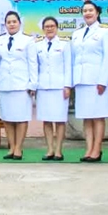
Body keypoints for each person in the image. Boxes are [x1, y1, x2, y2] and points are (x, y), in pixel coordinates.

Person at [71, 0, 108, 163]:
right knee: (86, 117)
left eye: (91, 10)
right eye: (85, 11)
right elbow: (74, 59)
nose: (87, 13)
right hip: (81, 81)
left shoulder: (105, 32)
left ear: (97, 13)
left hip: (97, 81)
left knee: (98, 116)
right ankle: (88, 148)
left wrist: (104, 81)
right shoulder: (77, 33)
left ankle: (97, 149)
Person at [0, 11, 35, 160]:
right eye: (8, 22)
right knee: (7, 117)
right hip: (4, 83)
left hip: (22, 83)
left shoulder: (27, 40)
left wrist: (32, 84)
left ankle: (19, 147)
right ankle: (11, 147)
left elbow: (32, 63)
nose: (11, 24)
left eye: (14, 22)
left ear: (19, 23)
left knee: (21, 116)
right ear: (5, 25)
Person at [34, 16, 71, 161]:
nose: (49, 28)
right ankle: (49, 149)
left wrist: (67, 86)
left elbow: (68, 66)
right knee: (46, 120)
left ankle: (58, 150)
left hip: (59, 86)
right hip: (43, 87)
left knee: (59, 119)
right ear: (43, 29)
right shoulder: (37, 45)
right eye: (47, 26)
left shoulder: (64, 44)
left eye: (52, 26)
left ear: (57, 28)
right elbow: (35, 67)